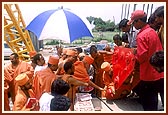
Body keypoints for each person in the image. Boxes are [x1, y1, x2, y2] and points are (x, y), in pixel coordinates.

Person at [128, 10, 164, 111]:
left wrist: (135, 55)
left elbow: (142, 57)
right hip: (159, 72)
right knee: (154, 101)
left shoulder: (142, 35)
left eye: (134, 22)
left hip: (148, 74)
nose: (133, 26)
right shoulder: (152, 31)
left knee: (148, 103)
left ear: (139, 21)